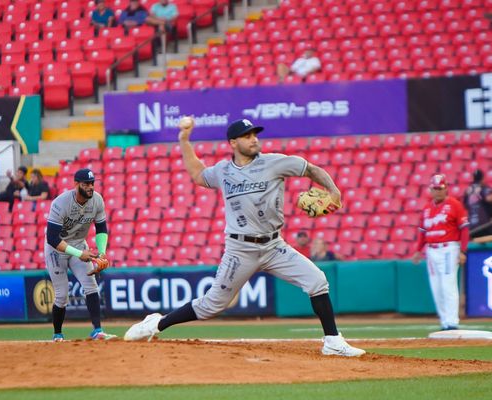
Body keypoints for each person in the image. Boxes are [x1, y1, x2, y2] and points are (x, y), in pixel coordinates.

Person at [124, 117, 365, 357]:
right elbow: (197, 174)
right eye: (247, 136)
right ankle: (155, 324)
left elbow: (311, 169)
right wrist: (184, 140)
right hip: (240, 249)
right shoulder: (223, 171)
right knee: (211, 306)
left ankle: (332, 341)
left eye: (254, 135)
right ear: (233, 142)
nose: (253, 139)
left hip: (273, 246)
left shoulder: (275, 163)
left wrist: (333, 191)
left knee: (317, 281)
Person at [45, 168, 115, 341]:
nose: (90, 187)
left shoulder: (97, 200)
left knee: (91, 285)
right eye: (86, 184)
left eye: (92, 183)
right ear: (76, 184)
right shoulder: (60, 203)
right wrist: (78, 253)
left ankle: (97, 330)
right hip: (57, 249)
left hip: (78, 245)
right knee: (62, 295)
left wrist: (103, 253)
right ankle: (57, 334)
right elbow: (52, 238)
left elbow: (101, 228)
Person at [412, 174, 470, 331]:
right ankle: (444, 321)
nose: (437, 191)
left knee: (448, 284)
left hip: (448, 248)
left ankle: (452, 322)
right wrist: (418, 250)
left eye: (440, 188)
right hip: (431, 250)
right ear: (430, 189)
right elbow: (423, 232)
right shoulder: (426, 208)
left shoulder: (455, 205)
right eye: (435, 188)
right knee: (436, 286)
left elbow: (464, 229)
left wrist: (463, 250)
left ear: (446, 189)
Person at [463, 169, 492, 238]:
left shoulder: (467, 190)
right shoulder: (484, 188)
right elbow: (489, 198)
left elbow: (465, 206)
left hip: (472, 227)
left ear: (473, 178)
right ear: (483, 178)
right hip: (485, 226)